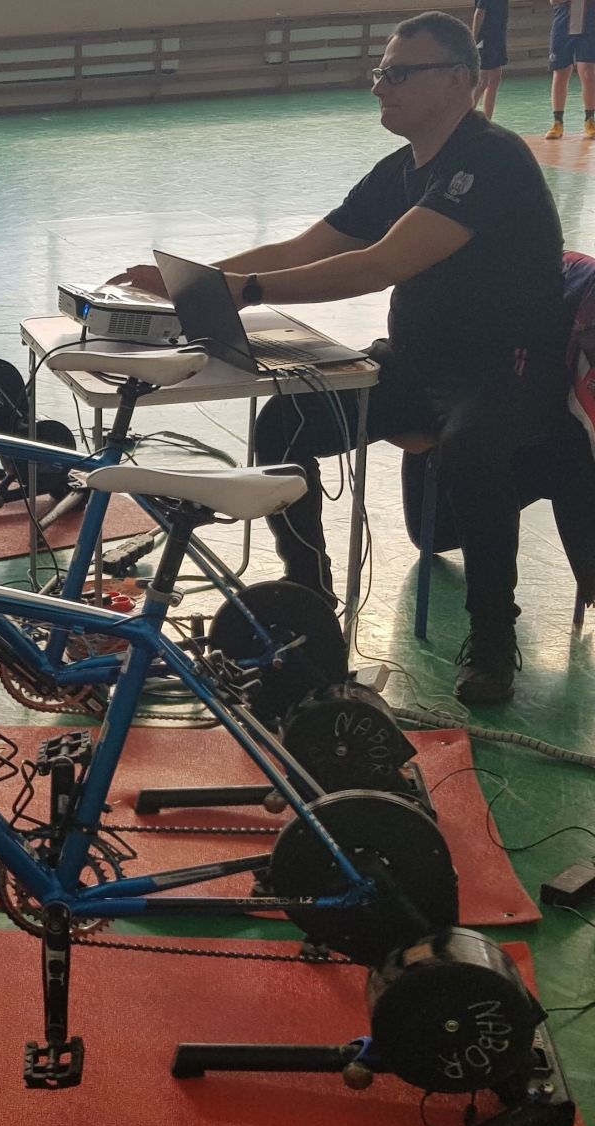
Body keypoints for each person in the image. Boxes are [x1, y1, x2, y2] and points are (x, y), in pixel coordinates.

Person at [111, 12, 572, 705]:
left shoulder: (491, 158)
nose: (380, 87)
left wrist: (244, 291)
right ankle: (310, 600)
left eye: (399, 74)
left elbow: (380, 264)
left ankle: (492, 635)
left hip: (505, 369)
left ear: (458, 81)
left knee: (471, 452)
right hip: (417, 366)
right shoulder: (399, 170)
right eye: (380, 73)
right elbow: (308, 248)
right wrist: (198, 285)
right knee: (284, 424)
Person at [546, 0, 595, 138]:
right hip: (563, 24)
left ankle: (590, 119)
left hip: (589, 25)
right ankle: (557, 122)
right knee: (560, 72)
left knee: (588, 73)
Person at [472, 0, 508, 117]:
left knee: (495, 80)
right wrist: (474, 39)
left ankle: (488, 119)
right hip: (486, 39)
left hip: (498, 37)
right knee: (482, 81)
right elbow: (479, 12)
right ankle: (465, 118)